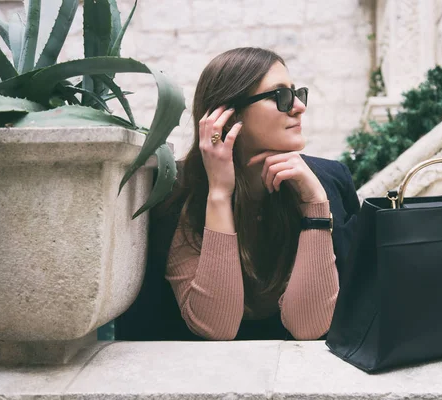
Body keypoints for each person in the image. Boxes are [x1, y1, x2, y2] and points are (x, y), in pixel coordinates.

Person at [116, 47, 360, 342]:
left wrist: (315, 205)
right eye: (280, 96)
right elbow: (216, 328)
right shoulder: (172, 190)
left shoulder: (329, 181)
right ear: (227, 117)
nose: (298, 107)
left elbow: (309, 327)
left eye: (298, 93)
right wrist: (219, 192)